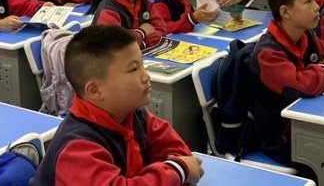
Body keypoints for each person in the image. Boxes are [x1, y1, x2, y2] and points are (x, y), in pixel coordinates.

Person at [32, 25, 204, 186]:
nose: (146, 76)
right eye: (133, 69)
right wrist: (176, 171)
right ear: (94, 90)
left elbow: (176, 150)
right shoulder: (77, 150)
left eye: (142, 65)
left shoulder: (133, 114)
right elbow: (181, 167)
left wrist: (174, 170)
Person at [248, 0, 324, 166]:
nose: (317, 7)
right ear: (285, 12)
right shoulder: (268, 53)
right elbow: (301, 86)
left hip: (309, 124)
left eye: (314, 0)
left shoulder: (307, 35)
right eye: (308, 2)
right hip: (281, 138)